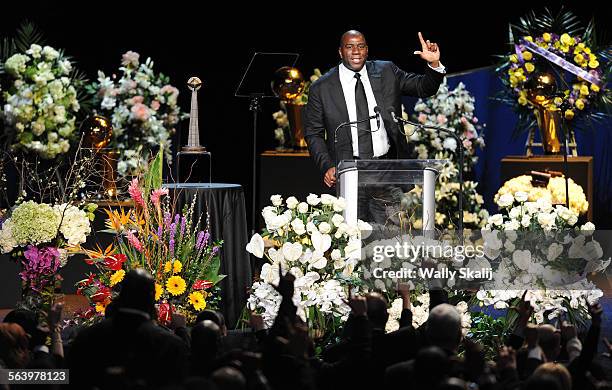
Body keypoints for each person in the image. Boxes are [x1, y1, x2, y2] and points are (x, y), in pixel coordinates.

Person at [304, 30, 445, 222]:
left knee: (389, 240)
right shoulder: (321, 88)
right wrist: (327, 165)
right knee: (352, 241)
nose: (356, 51)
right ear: (340, 52)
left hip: (385, 170)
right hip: (348, 173)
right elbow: (314, 133)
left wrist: (433, 63)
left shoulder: (386, 71)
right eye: (349, 46)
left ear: (367, 50)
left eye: (361, 46)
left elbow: (423, 87)